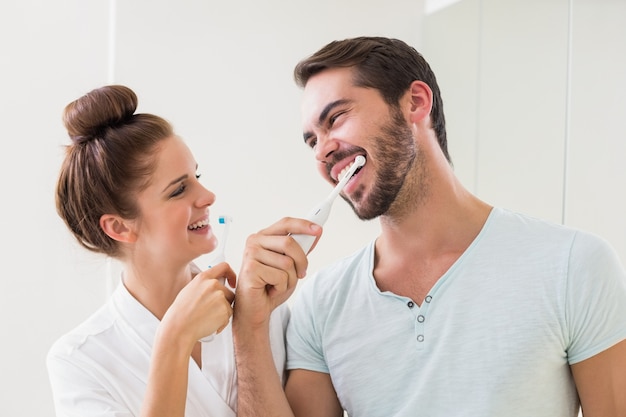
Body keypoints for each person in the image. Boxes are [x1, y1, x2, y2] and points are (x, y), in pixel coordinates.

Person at [232, 36, 626, 416]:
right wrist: (249, 327)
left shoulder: (573, 265)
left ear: (416, 102)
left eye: (335, 119)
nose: (323, 151)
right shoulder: (320, 302)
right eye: (311, 141)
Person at [47, 85, 320, 417]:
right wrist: (174, 339)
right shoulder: (81, 361)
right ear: (119, 227)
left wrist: (251, 328)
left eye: (197, 175)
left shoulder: (265, 309)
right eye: (179, 189)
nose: (207, 196)